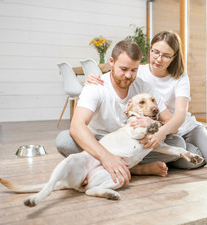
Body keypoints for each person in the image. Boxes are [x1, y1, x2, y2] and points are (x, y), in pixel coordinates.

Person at [86, 31, 207, 171]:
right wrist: (95, 76)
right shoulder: (137, 71)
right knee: (189, 161)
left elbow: (181, 114)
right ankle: (201, 150)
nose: (158, 59)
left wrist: (160, 130)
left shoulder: (180, 77)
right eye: (155, 52)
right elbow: (119, 71)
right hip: (160, 132)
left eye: (166, 55)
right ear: (150, 49)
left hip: (182, 127)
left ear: (174, 57)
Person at [55, 40, 187, 185]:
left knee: (177, 142)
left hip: (131, 144)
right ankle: (137, 169)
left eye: (134, 70)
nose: (129, 75)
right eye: (123, 69)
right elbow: (76, 126)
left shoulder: (145, 88)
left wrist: (155, 124)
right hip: (101, 141)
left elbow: (171, 123)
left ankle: (121, 166)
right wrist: (106, 156)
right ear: (111, 62)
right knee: (64, 140)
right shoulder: (96, 86)